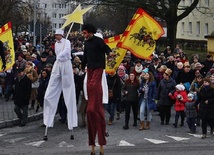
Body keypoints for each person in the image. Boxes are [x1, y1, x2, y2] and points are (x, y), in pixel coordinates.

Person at [81, 24, 112, 155]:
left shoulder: (98, 41)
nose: (84, 35)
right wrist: (82, 66)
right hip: (90, 68)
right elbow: (86, 55)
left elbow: (106, 48)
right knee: (89, 86)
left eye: (85, 32)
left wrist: (110, 54)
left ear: (90, 32)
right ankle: (91, 104)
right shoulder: (86, 43)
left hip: (99, 67)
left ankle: (93, 104)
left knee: (94, 85)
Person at [43, 29, 77, 131]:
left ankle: (71, 121)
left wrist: (60, 56)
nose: (55, 37)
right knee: (51, 88)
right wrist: (58, 58)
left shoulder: (67, 42)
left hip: (65, 63)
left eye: (57, 35)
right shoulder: (56, 44)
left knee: (68, 88)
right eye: (55, 35)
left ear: (61, 35)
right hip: (58, 63)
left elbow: (67, 52)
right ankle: (48, 120)